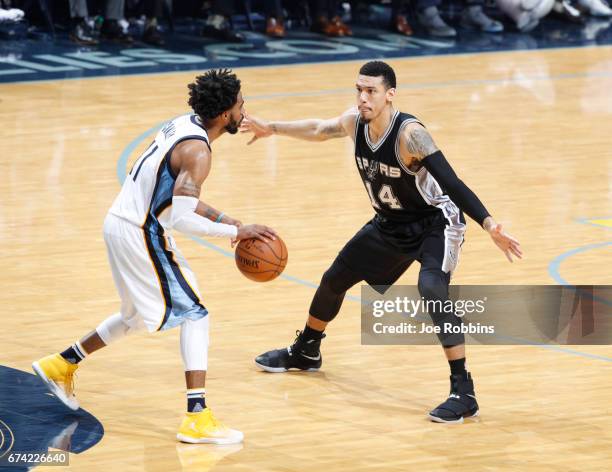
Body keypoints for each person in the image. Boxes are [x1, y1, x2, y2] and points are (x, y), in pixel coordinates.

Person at [240, 61, 522, 424]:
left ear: (390, 95)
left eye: (370, 91)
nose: (362, 97)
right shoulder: (354, 122)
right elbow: (320, 128)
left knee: (432, 289)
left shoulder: (411, 134)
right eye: (358, 89)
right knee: (333, 278)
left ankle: (463, 391)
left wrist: (489, 224)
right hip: (390, 224)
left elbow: (451, 182)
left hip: (434, 223)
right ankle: (306, 350)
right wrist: (273, 128)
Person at [32, 69, 277, 444]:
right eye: (241, 104)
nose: (245, 110)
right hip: (139, 231)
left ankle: (61, 363)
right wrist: (234, 232)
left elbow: (175, 192)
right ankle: (197, 417)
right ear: (226, 113)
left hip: (121, 221)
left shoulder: (182, 125)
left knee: (135, 317)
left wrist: (224, 217)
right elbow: (181, 217)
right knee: (195, 314)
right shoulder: (199, 151)